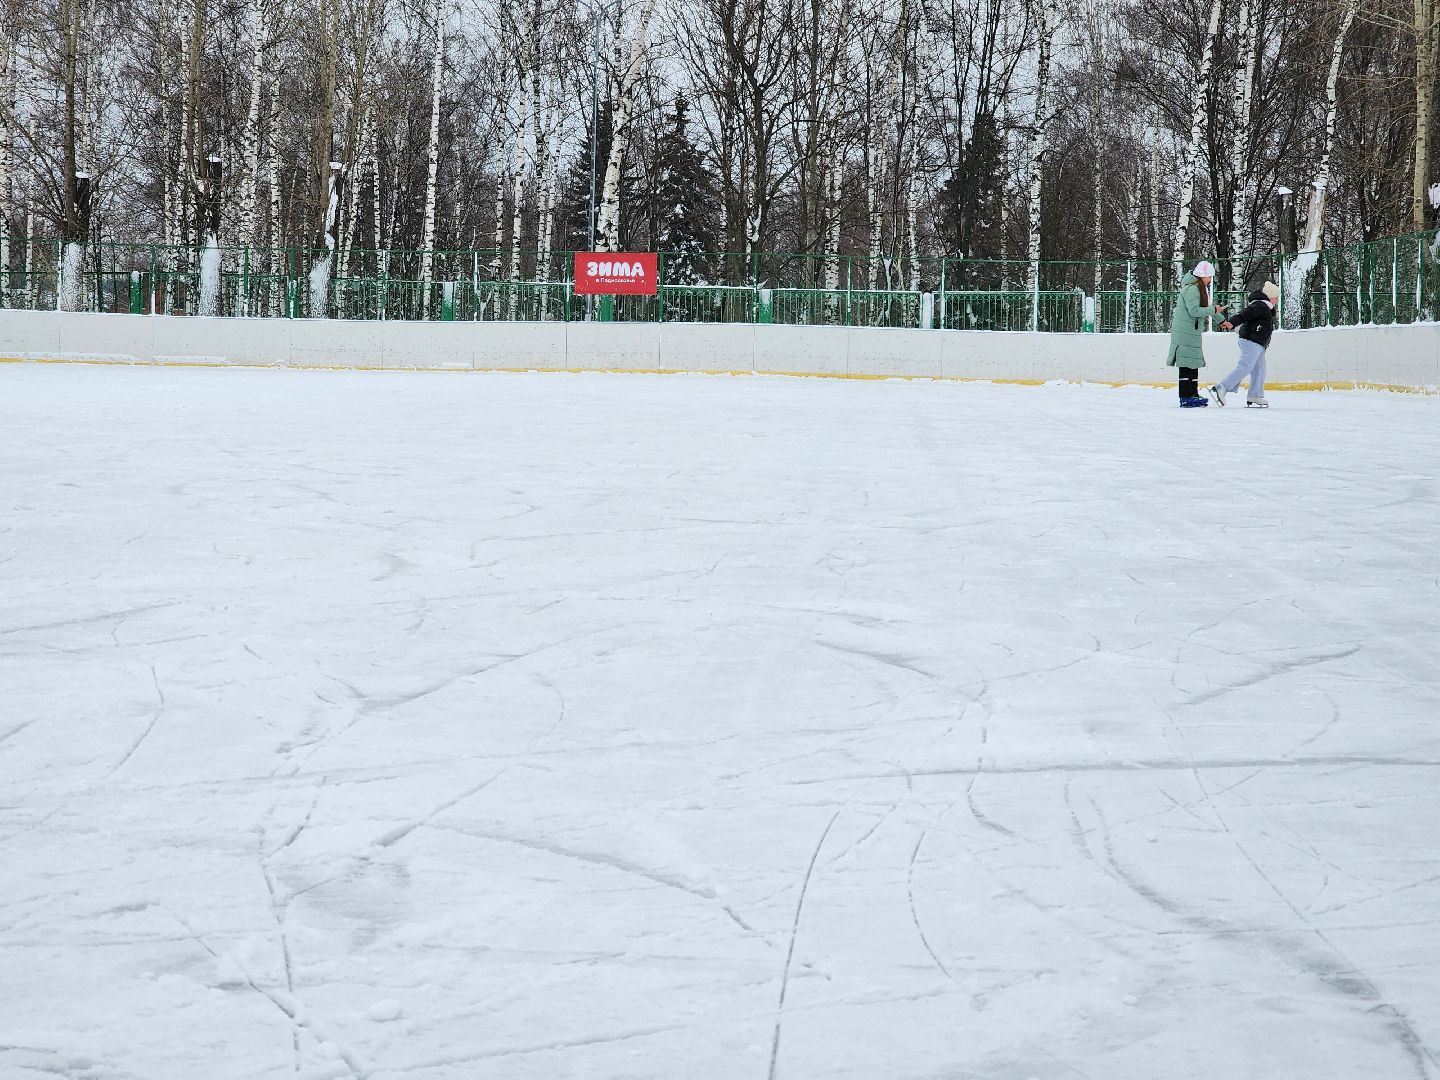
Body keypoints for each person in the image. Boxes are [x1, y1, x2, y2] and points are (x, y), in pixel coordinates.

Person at [1166, 260, 1228, 408]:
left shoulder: (1199, 288)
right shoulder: (1191, 289)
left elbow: (1206, 307)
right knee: (1186, 364)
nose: (1210, 280)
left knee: (1193, 363)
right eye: (1209, 277)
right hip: (1185, 331)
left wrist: (1221, 320)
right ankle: (1185, 397)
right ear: (1202, 276)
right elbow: (1194, 310)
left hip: (1191, 331)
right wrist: (1214, 311)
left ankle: (1192, 394)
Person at [1210, 280, 1279, 408]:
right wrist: (1231, 323)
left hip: (1258, 343)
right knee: (1246, 366)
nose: (1277, 301)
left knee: (1260, 369)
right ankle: (1222, 387)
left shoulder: (1264, 307)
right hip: (1251, 340)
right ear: (1270, 297)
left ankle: (1255, 395)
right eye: (1276, 298)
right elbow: (1244, 314)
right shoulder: (1260, 305)